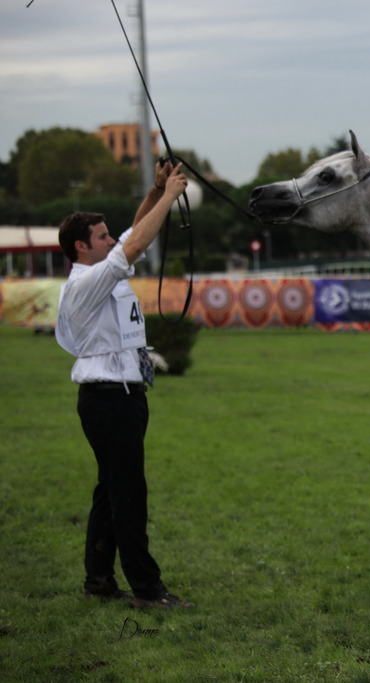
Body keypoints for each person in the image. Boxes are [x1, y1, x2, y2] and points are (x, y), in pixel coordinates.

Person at [56, 160, 194, 610]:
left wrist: (156, 192)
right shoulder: (87, 282)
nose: (111, 239)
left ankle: (98, 579)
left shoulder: (97, 273)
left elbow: (131, 233)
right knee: (128, 495)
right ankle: (148, 590)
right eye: (101, 236)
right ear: (81, 247)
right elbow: (134, 242)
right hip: (110, 399)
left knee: (110, 489)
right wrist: (171, 198)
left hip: (120, 395)